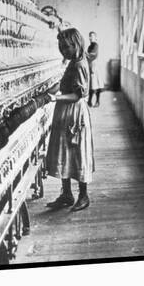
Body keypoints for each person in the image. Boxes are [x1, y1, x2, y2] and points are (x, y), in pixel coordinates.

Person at [45, 28, 95, 212]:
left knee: (77, 152)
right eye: (61, 47)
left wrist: (55, 98)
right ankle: (66, 194)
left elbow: (77, 95)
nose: (63, 50)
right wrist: (51, 89)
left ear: (77, 44)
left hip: (74, 112)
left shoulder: (80, 64)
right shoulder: (73, 62)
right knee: (63, 151)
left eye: (67, 47)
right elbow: (65, 84)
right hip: (65, 112)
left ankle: (84, 196)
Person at [86, 31, 104, 107]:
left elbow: (93, 55)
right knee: (91, 85)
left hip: (95, 66)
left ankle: (97, 101)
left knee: (96, 84)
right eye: (90, 36)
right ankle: (90, 101)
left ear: (95, 38)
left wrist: (86, 54)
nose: (91, 38)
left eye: (92, 36)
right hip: (91, 65)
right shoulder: (90, 46)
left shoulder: (95, 45)